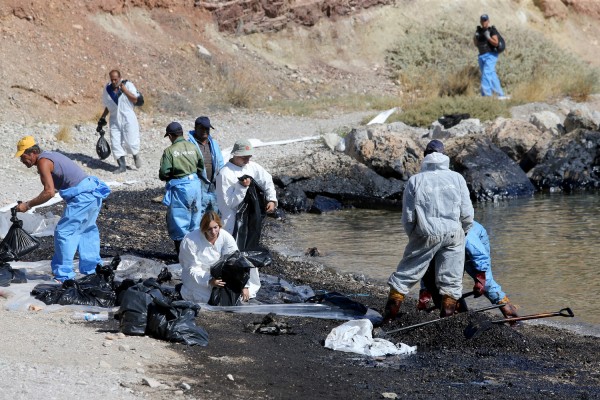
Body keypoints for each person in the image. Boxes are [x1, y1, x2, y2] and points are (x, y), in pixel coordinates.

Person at [384, 139, 474, 323]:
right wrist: (463, 232)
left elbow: (408, 217)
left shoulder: (415, 180)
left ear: (425, 157)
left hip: (425, 232)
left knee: (404, 276)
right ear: (444, 156)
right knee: (451, 282)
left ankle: (389, 317)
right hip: (453, 233)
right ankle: (446, 322)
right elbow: (467, 213)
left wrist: (415, 236)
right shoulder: (457, 178)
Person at [14, 136, 111, 282]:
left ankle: (63, 276)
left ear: (32, 152)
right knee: (86, 231)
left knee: (64, 232)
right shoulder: (50, 156)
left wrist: (27, 205)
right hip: (93, 193)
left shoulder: (43, 162)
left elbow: (49, 192)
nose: (22, 160)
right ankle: (93, 271)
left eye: (23, 156)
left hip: (82, 197)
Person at [418, 220, 519, 319]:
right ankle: (460, 315)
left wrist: (480, 279)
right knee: (445, 284)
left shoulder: (463, 234)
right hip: (451, 249)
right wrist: (425, 290)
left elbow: (480, 255)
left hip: (475, 245)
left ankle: (512, 316)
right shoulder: (430, 239)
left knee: (487, 284)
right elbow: (427, 267)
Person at [179, 211, 260, 303]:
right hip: (199, 276)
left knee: (249, 268)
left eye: (215, 228)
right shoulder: (190, 241)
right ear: (203, 229)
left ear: (219, 226)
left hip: (221, 274)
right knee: (205, 297)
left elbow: (236, 261)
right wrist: (209, 280)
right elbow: (191, 268)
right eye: (209, 229)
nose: (213, 232)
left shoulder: (226, 237)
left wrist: (244, 285)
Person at [216, 138, 277, 239]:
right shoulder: (224, 174)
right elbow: (230, 203)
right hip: (231, 221)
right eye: (244, 157)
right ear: (235, 154)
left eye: (249, 157)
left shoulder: (252, 166)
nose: (247, 161)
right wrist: (242, 187)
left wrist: (271, 199)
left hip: (250, 217)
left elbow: (267, 180)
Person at [159, 122, 204, 255]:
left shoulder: (169, 151)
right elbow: (201, 166)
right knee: (195, 218)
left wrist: (170, 176)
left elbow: (164, 172)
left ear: (171, 136)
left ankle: (183, 255)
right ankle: (196, 253)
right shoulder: (193, 146)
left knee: (179, 220)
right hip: (195, 186)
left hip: (181, 187)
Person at [97, 69, 142, 174]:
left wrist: (125, 90)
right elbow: (108, 105)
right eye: (111, 79)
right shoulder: (107, 89)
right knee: (115, 142)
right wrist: (102, 117)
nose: (113, 82)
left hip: (128, 117)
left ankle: (135, 155)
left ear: (120, 77)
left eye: (115, 79)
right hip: (114, 119)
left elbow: (135, 100)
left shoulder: (128, 85)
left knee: (131, 142)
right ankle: (122, 166)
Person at [187, 116, 225, 216]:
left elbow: (220, 163)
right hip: (198, 185)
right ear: (195, 128)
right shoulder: (189, 145)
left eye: (207, 129)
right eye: (202, 128)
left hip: (213, 185)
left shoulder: (214, 144)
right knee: (197, 214)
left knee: (214, 215)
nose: (205, 131)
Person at [474, 14, 507, 98]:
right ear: (480, 21)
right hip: (481, 56)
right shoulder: (479, 31)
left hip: (490, 55)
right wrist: (475, 37)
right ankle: (500, 95)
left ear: (488, 21)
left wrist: (488, 37)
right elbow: (476, 44)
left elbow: (495, 42)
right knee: (491, 75)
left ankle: (486, 96)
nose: (484, 22)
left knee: (486, 74)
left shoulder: (492, 30)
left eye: (485, 20)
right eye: (482, 20)